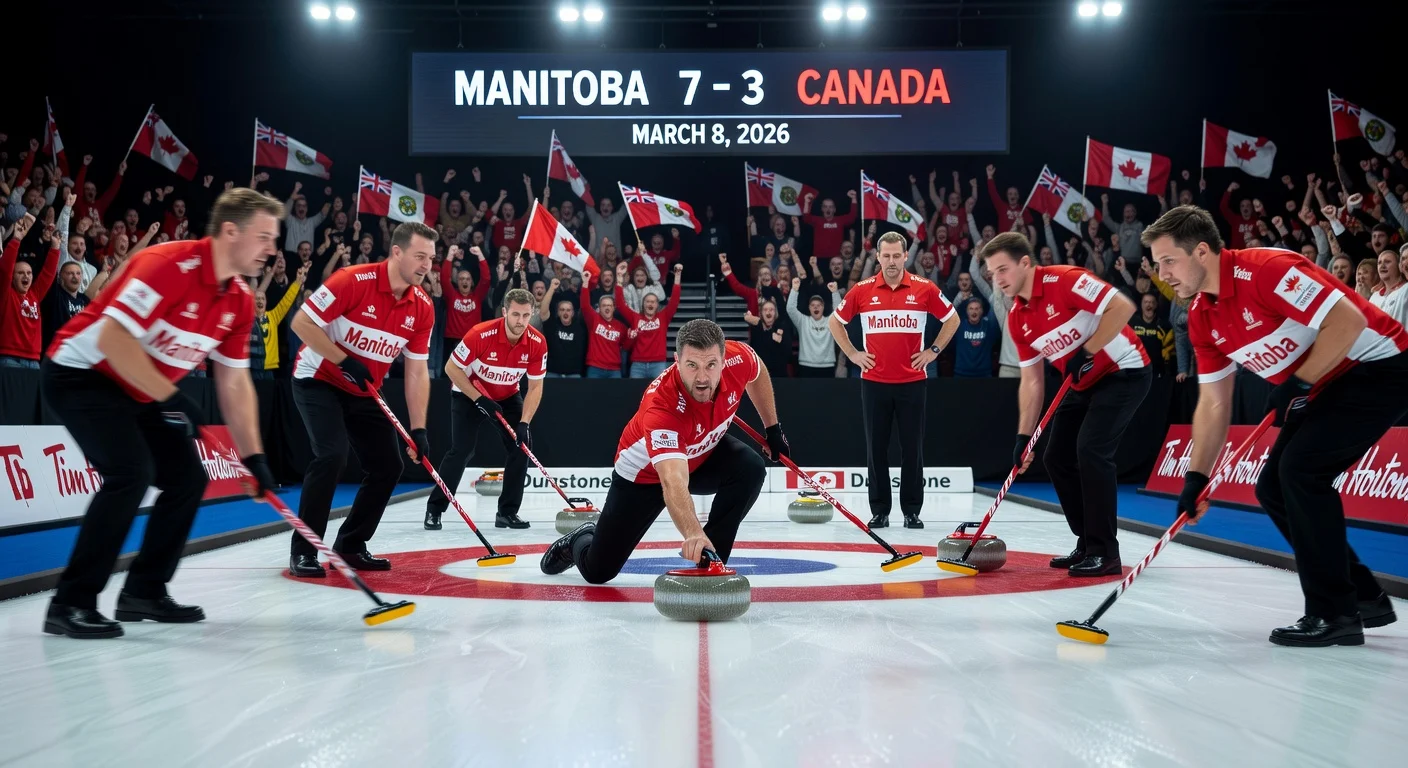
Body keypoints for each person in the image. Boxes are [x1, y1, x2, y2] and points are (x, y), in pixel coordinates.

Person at [1145, 205, 1408, 647]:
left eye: (1168, 261)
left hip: (1380, 365)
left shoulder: (1267, 269)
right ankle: (1362, 596)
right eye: (1156, 265)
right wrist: (1197, 476)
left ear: (1203, 251)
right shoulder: (1201, 316)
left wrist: (1300, 380)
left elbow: (1349, 321)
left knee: (1300, 471)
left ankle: (1334, 612)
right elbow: (1213, 402)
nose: (1162, 274)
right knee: (1272, 487)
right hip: (1328, 382)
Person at [41, 188, 281, 638]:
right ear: (230, 231)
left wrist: (254, 458)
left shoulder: (240, 299)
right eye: (264, 237)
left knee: (188, 478)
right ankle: (70, 602)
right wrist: (169, 396)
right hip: (81, 374)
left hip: (138, 387)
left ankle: (143, 592)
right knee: (130, 472)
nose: (272, 249)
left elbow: (234, 382)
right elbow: (114, 340)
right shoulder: (166, 264)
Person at [539, 320, 786, 583]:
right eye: (692, 365)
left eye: (711, 365)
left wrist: (773, 428)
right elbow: (672, 480)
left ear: (724, 360)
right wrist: (692, 532)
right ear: (677, 361)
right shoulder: (662, 407)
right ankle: (582, 538)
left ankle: (710, 560)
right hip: (644, 477)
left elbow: (757, 371)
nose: (702, 378)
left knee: (750, 468)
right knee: (598, 571)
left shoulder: (740, 358)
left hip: (697, 454)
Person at [983, 231, 1150, 577]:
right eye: (992, 273)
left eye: (1003, 270)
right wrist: (1022, 438)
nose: (997, 280)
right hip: (1083, 382)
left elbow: (1123, 306)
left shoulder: (1066, 280)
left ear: (1025, 263)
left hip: (1124, 371)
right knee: (1055, 457)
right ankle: (1087, 541)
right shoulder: (1018, 318)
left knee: (1091, 450)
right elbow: (1032, 381)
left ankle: (1106, 552)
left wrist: (1087, 350)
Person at [286, 221, 437, 577]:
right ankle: (304, 550)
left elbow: (416, 371)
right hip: (317, 378)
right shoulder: (352, 280)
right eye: (420, 256)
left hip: (363, 388)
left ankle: (350, 545)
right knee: (332, 456)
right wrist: (342, 359)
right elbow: (301, 323)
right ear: (396, 252)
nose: (427, 266)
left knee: (389, 466)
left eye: (431, 258)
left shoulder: (422, 307)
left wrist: (419, 429)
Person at [828, 231, 959, 529]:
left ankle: (912, 510)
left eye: (895, 255)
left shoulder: (924, 288)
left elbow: (953, 319)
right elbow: (835, 321)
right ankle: (880, 510)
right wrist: (852, 353)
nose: (890, 261)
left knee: (912, 448)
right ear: (878, 257)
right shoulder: (862, 290)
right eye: (885, 255)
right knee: (876, 449)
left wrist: (933, 351)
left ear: (905, 256)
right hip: (874, 383)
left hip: (913, 382)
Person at [424, 288, 546, 530]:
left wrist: (524, 422)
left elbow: (534, 388)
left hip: (508, 396)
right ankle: (434, 509)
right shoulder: (480, 334)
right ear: (504, 312)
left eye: (525, 315)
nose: (520, 321)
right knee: (461, 451)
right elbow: (451, 369)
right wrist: (479, 399)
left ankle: (507, 513)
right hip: (469, 394)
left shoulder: (537, 343)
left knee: (521, 448)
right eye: (515, 315)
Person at [1, 216, 59, 368]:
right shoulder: (6, 295)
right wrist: (16, 240)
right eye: (20, 273)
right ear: (12, 278)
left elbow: (47, 274)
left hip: (33, 359)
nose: (26, 276)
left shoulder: (34, 294)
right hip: (9, 358)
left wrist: (55, 247)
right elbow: (5, 269)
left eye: (28, 273)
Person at [615, 261, 683, 379]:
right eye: (647, 301)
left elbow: (674, 302)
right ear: (643, 304)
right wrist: (619, 279)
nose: (650, 304)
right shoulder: (635, 317)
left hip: (658, 364)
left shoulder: (663, 317)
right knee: (635, 396)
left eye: (653, 302)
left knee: (658, 396)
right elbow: (620, 305)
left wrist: (677, 276)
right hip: (638, 364)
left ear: (657, 305)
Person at [579, 278, 628, 378]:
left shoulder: (621, 326)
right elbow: (585, 306)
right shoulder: (594, 319)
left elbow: (626, 346)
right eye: (604, 305)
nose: (607, 307)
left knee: (615, 394)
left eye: (609, 305)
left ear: (613, 308)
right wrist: (585, 283)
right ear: (599, 308)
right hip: (595, 368)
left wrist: (632, 337)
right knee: (592, 394)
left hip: (614, 370)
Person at [540, 277, 587, 377]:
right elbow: (543, 311)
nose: (565, 312)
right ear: (558, 312)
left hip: (573, 373)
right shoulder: (552, 324)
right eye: (562, 310)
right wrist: (552, 288)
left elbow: (586, 307)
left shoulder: (579, 327)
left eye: (568, 310)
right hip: (553, 372)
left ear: (573, 313)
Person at [953, 297, 1000, 378]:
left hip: (984, 374)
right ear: (967, 311)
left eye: (977, 308)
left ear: (982, 311)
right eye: (971, 309)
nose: (974, 311)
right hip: (961, 374)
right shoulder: (959, 326)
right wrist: (960, 296)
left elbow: (995, 303)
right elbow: (949, 312)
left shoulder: (989, 326)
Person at [1129, 292, 1175, 374]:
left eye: (1151, 302)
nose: (1148, 305)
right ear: (1141, 305)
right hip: (1136, 368)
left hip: (1157, 369)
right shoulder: (1132, 322)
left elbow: (1171, 348)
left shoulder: (1163, 325)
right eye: (1146, 302)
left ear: (1156, 305)